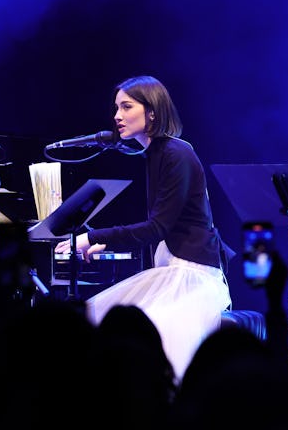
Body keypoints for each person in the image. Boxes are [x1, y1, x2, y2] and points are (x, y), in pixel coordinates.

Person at [54, 75, 231, 382]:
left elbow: (157, 228)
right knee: (95, 324)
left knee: (149, 337)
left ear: (152, 111)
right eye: (116, 108)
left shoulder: (176, 153)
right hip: (171, 269)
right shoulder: (156, 153)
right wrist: (103, 243)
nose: (117, 116)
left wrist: (92, 237)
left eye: (126, 107)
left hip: (193, 276)